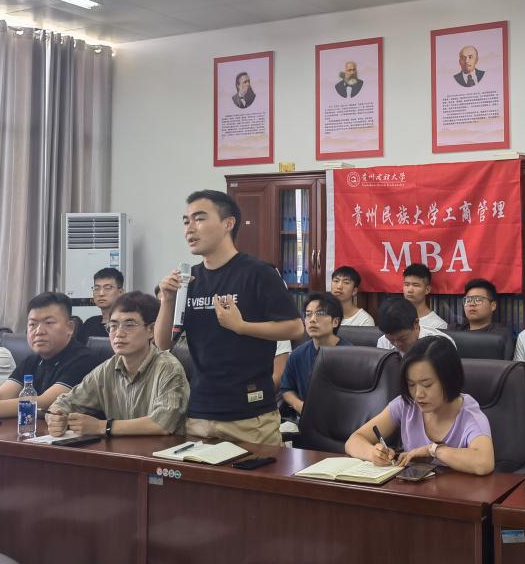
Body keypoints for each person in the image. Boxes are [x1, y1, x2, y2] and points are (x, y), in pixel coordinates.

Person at [155, 190, 303, 446]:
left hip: (250, 417)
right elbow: (163, 343)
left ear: (228, 223)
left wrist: (242, 326)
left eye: (199, 218)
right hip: (200, 412)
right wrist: (167, 300)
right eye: (186, 221)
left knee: (255, 473)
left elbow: (295, 328)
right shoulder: (189, 280)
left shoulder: (258, 273)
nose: (190, 228)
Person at [0, 292, 100, 422]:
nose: (39, 331)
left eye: (49, 323)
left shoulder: (84, 359)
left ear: (70, 327)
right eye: (32, 324)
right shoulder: (32, 361)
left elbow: (44, 403)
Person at [46, 292, 189, 437]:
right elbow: (63, 404)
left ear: (151, 330)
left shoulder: (168, 367)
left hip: (163, 450)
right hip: (120, 449)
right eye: (113, 325)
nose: (119, 333)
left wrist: (101, 426)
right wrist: (55, 418)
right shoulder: (107, 369)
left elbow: (162, 424)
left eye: (129, 325)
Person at [346, 336, 494, 475]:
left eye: (427, 384)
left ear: (449, 379)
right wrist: (373, 453)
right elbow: (354, 440)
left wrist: (433, 450)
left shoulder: (469, 415)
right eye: (411, 384)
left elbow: (484, 462)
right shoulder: (405, 405)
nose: (418, 394)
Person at [279, 293, 349, 415]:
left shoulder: (351, 356)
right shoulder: (297, 355)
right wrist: (299, 405)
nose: (312, 320)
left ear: (335, 322)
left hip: (342, 417)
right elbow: (286, 388)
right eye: (308, 314)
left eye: (320, 314)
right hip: (306, 418)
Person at [376, 297, 455, 356]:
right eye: (391, 340)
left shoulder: (442, 345)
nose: (396, 344)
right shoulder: (383, 342)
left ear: (416, 324)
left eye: (402, 339)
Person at [455, 278, 513, 343]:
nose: (471, 304)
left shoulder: (500, 335)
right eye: (468, 300)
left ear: (493, 306)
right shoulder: (454, 330)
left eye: (478, 300)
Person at [79, 267, 125, 343]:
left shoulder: (126, 324)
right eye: (96, 288)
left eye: (107, 288)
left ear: (121, 292)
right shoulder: (90, 323)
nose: (101, 293)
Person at [402, 263, 447, 329]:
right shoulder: (395, 318)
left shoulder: (438, 325)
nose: (410, 290)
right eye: (407, 285)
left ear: (427, 290)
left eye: (416, 285)